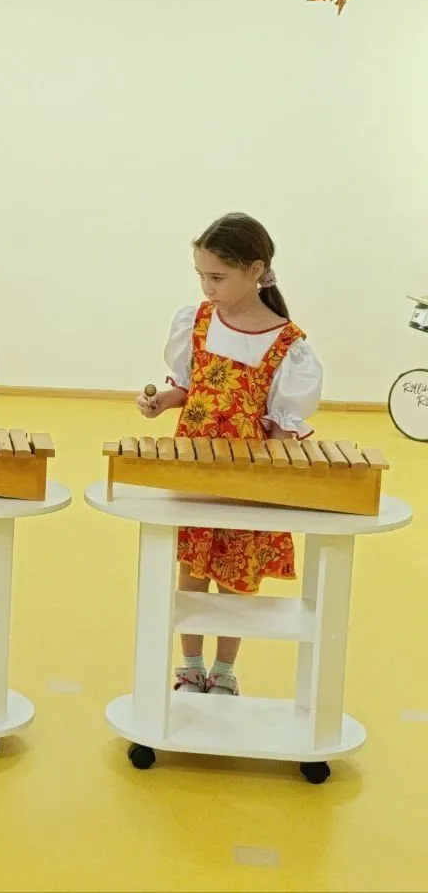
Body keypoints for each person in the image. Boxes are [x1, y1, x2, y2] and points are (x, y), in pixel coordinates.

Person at [139, 212, 323, 695]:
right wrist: (164, 400)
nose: (207, 287)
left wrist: (272, 479)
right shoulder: (196, 321)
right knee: (192, 566)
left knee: (237, 574)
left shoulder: (288, 344)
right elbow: (188, 386)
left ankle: (224, 671)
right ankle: (190, 665)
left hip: (246, 476)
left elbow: (283, 427)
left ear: (255, 270)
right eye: (201, 275)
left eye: (217, 277)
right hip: (194, 465)